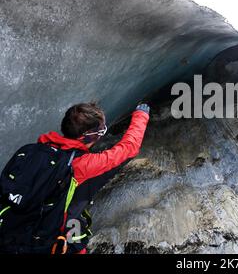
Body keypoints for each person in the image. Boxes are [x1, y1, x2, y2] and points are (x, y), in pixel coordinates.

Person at [0, 102, 150, 254]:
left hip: (10, 229)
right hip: (44, 239)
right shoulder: (80, 165)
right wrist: (141, 115)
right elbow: (129, 148)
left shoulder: (29, 150)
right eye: (102, 130)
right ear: (90, 136)